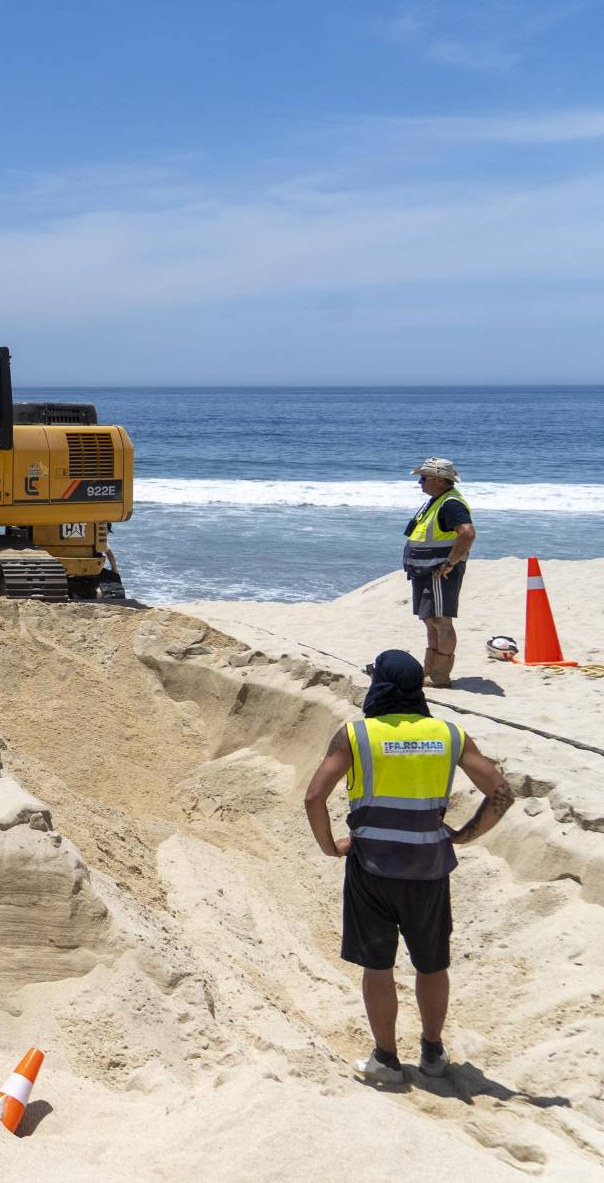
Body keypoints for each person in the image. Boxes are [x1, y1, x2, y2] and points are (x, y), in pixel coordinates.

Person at [302, 648, 514, 1085]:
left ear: (378, 684)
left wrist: (330, 846)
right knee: (432, 965)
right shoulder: (450, 734)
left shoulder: (357, 735)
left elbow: (314, 796)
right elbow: (502, 793)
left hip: (372, 868)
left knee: (378, 966)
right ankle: (433, 1052)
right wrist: (463, 834)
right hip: (429, 870)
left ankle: (386, 1059)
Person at [402, 458, 475, 687]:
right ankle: (429, 670)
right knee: (430, 620)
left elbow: (467, 533)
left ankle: (440, 675)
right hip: (424, 571)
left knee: (442, 622)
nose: (420, 483)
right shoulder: (436, 501)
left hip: (439, 572)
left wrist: (450, 563)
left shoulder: (451, 503)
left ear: (441, 480)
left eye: (424, 478)